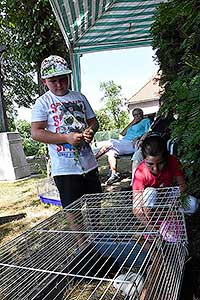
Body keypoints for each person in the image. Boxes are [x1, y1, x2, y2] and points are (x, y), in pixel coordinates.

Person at [31, 55, 102, 209]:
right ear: (44, 81)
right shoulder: (43, 102)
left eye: (63, 79)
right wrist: (65, 137)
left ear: (69, 76)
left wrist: (90, 131)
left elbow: (94, 122)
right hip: (64, 168)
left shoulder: (80, 97)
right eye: (53, 81)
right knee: (73, 210)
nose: (59, 84)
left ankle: (97, 233)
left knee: (95, 206)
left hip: (89, 163)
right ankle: (80, 235)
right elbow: (35, 132)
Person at [132, 135, 198, 215]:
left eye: (160, 163)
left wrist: (176, 200)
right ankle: (153, 216)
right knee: (150, 192)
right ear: (144, 159)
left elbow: (182, 185)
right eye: (150, 164)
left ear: (166, 157)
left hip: (168, 194)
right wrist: (150, 226)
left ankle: (170, 213)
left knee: (193, 204)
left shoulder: (172, 160)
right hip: (149, 200)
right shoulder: (140, 172)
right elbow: (136, 209)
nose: (155, 168)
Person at [95, 108, 151, 185]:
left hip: (132, 143)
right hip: (124, 143)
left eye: (138, 114)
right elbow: (123, 133)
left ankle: (95, 158)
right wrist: (132, 122)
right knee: (111, 152)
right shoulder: (133, 123)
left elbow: (148, 132)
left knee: (111, 142)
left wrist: (139, 137)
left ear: (142, 114)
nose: (137, 116)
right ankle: (114, 174)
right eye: (134, 115)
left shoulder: (146, 121)